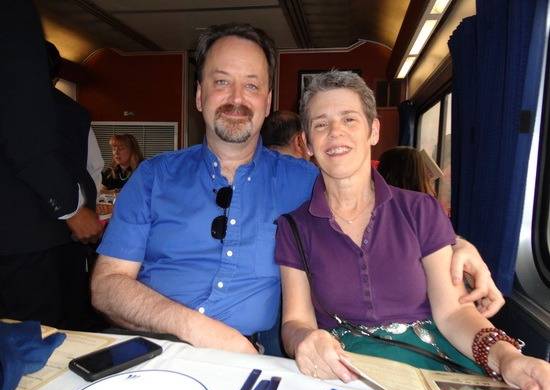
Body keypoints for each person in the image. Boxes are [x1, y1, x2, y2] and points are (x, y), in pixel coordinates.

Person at [91, 23, 502, 355]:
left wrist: (455, 244)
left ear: (267, 101)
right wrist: (196, 329)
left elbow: (374, 209)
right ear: (199, 95)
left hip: (254, 355)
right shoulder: (152, 177)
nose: (237, 98)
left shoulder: (307, 181)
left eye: (251, 85)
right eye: (221, 82)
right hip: (148, 345)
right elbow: (107, 285)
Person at [275, 70, 550, 390]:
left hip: (433, 367)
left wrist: (505, 358)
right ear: (306, 143)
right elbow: (294, 322)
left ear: (373, 130)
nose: (335, 133)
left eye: (349, 119)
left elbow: (454, 311)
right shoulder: (293, 227)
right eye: (320, 124)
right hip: (349, 376)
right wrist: (307, 340)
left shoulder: (421, 210)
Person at [0, 3, 103, 329]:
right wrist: (75, 209)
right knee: (44, 331)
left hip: (26, 239)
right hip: (41, 238)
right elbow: (93, 169)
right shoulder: (73, 112)